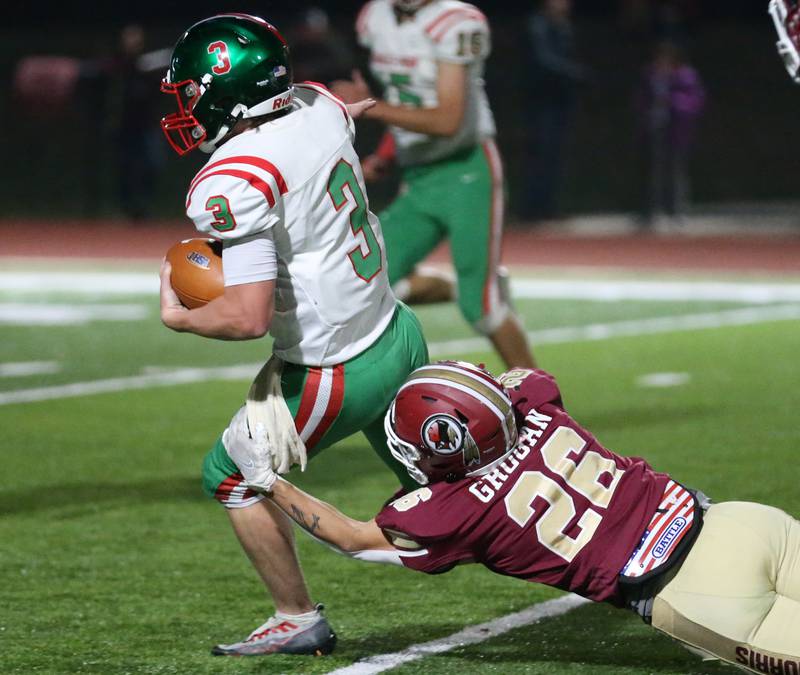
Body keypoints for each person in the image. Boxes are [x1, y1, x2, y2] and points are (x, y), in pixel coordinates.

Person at [225, 361, 800, 672]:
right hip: (738, 522)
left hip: (695, 590)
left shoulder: (453, 511)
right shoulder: (538, 407)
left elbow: (349, 538)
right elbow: (520, 377)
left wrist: (266, 480)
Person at [157, 14, 428, 656]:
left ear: (232, 90)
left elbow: (247, 318)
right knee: (454, 503)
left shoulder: (233, 180)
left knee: (229, 473)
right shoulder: (318, 107)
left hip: (336, 367)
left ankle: (295, 614)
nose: (188, 107)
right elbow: (343, 107)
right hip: (397, 332)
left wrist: (180, 315)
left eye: (192, 92)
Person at [332, 0, 536, 370]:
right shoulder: (375, 17)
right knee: (361, 280)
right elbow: (405, 98)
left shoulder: (456, 23)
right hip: (418, 176)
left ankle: (545, 407)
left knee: (483, 309)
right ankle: (458, 287)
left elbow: (447, 121)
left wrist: (364, 106)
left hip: (467, 172)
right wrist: (386, 155)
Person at [523, 0, 584, 222]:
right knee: (540, 155)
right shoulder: (537, 24)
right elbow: (543, 60)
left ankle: (550, 207)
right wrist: (574, 73)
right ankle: (532, 210)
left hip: (560, 100)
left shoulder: (563, 26)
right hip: (541, 102)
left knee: (556, 157)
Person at [634, 40, 705, 229]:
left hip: (676, 131)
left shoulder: (686, 77)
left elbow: (694, 102)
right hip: (653, 128)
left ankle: (677, 212)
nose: (661, 63)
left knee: (676, 172)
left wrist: (672, 102)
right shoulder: (649, 75)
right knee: (652, 173)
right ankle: (650, 213)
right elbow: (641, 100)